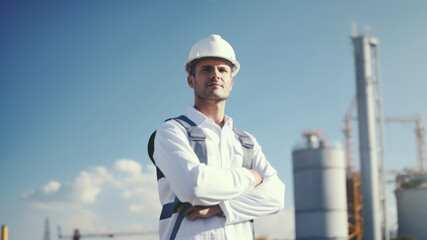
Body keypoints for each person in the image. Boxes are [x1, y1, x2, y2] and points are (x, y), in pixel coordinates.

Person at [151, 34, 285, 240]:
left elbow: (276, 197)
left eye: (222, 70)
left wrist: (221, 207)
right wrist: (251, 177)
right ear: (191, 80)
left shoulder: (245, 141)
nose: (215, 75)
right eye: (206, 69)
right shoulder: (171, 131)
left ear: (230, 82)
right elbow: (194, 186)